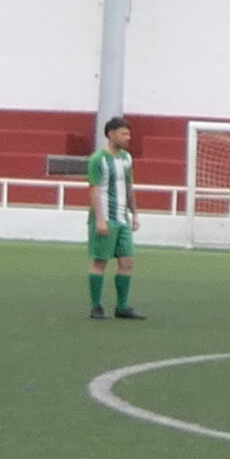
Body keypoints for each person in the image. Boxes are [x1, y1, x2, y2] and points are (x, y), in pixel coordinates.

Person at [86, 115, 144, 321]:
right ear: (111, 134)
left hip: (122, 218)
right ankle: (96, 307)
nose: (128, 137)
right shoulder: (98, 159)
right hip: (106, 218)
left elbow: (129, 186)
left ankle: (122, 306)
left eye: (128, 134)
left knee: (127, 261)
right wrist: (100, 220)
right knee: (100, 261)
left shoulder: (126, 158)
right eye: (123, 134)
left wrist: (134, 212)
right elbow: (94, 190)